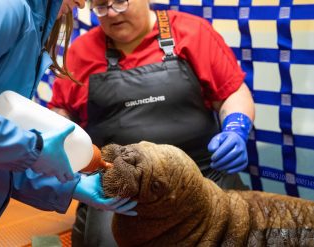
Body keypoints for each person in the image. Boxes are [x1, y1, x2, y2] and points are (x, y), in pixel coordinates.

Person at [49, 0, 255, 246]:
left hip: (205, 177)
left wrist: (236, 130)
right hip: (120, 188)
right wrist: (64, 147)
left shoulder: (193, 32)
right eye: (102, 7)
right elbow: (61, 111)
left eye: (120, 2)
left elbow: (231, 93)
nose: (113, 13)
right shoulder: (81, 52)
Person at [0, 0, 137, 246]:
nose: (81, 4)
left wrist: (69, 185)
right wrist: (31, 148)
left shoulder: (32, 33)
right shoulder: (4, 7)